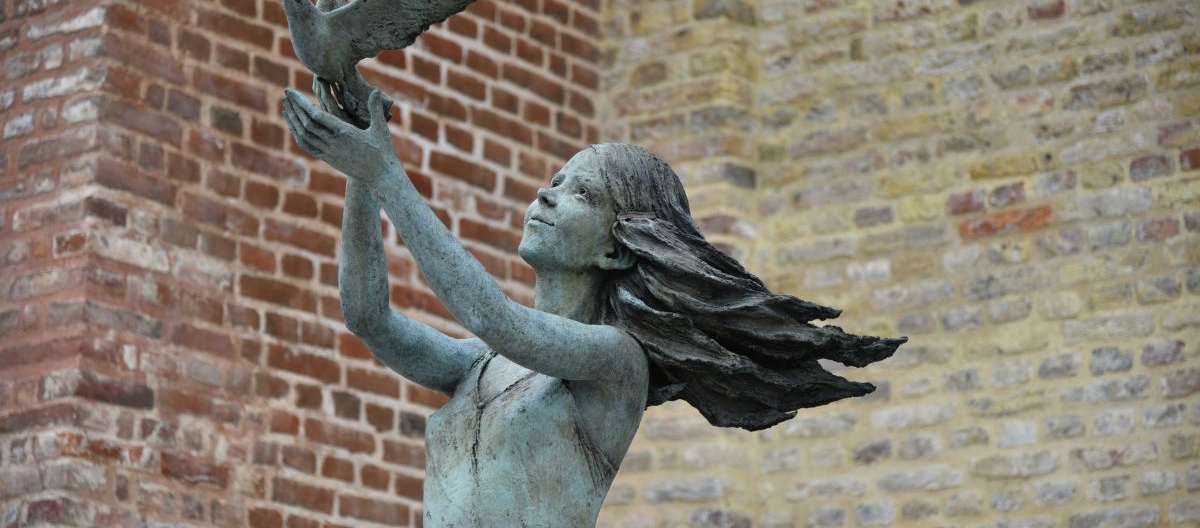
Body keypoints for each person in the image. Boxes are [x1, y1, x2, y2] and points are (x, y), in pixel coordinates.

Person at [281, 86, 904, 527]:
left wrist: (389, 173)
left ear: (614, 249)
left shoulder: (614, 363)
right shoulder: (479, 366)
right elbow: (367, 317)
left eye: (579, 192)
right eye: (553, 182)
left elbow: (494, 316)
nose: (545, 196)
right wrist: (358, 168)